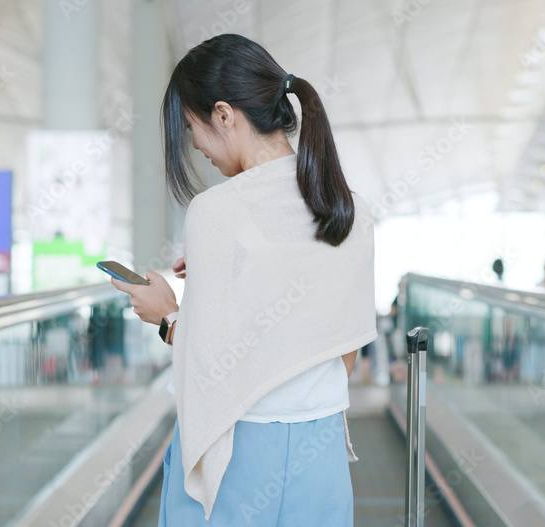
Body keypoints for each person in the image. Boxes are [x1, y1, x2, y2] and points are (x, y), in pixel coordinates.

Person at [111, 34, 375, 526]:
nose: (196, 146)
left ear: (225, 114)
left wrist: (166, 314)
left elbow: (213, 368)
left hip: (239, 452)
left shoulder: (216, 213)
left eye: (193, 127)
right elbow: (344, 351)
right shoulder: (347, 208)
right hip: (323, 454)